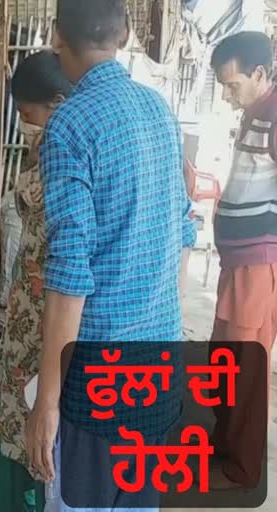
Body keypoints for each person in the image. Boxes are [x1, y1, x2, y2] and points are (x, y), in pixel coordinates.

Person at [23, 1, 196, 511]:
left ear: (57, 38)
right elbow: (184, 231)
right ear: (123, 34)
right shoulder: (160, 110)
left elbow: (69, 276)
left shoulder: (70, 126)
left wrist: (47, 404)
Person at [0, 51, 73, 512]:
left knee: (34, 415)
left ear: (56, 101)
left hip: (48, 317)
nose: (27, 127)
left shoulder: (72, 158)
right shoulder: (48, 150)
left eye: (29, 117)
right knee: (8, 402)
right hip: (25, 309)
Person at [208, 31, 276, 490]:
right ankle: (223, 446)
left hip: (256, 265)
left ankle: (243, 468)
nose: (229, 96)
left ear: (260, 74)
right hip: (240, 262)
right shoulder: (256, 112)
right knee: (223, 359)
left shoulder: (274, 113)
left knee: (244, 367)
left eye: (233, 85)